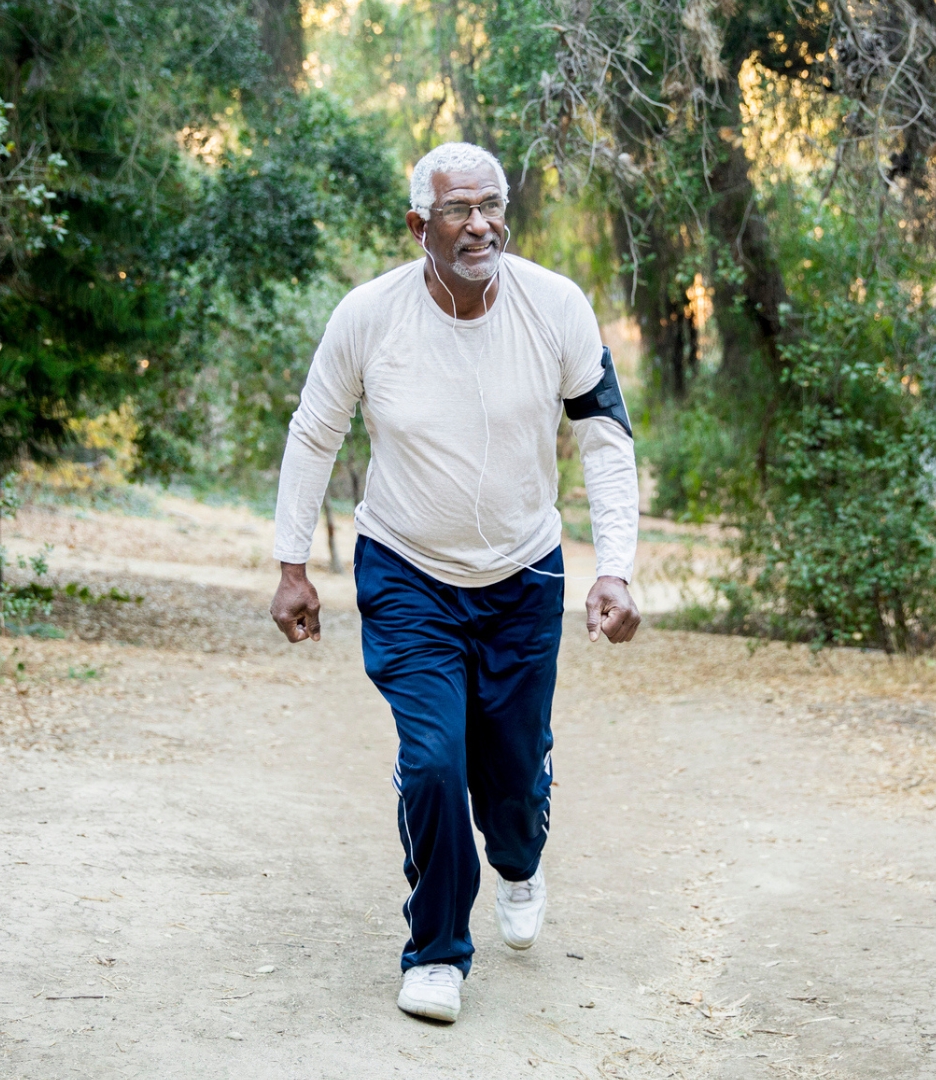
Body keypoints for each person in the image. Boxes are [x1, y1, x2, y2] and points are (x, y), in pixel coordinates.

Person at [268, 142, 642, 1023]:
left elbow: (605, 439)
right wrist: (292, 564)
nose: (480, 224)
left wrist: (615, 567)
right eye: (456, 210)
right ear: (417, 227)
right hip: (406, 570)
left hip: (523, 573)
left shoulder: (556, 305)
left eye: (491, 205)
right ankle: (436, 950)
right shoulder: (369, 317)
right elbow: (314, 433)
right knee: (433, 761)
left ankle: (518, 861)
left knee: (510, 782)